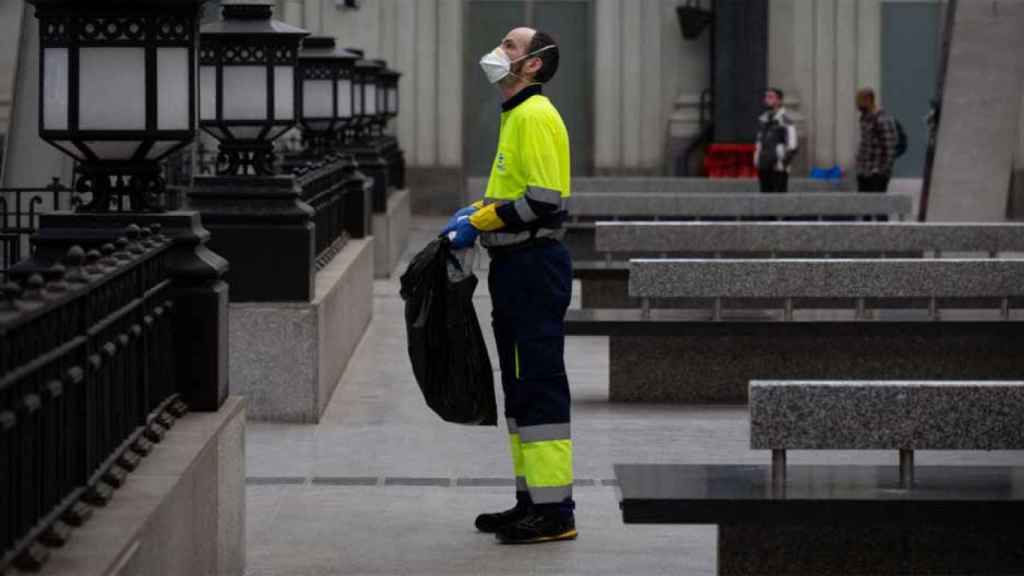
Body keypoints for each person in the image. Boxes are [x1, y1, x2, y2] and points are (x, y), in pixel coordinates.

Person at [441, 27, 575, 545]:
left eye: (511, 47)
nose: (499, 53)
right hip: (515, 266)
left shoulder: (536, 116)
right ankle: (532, 502)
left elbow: (543, 202)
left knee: (537, 385)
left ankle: (556, 512)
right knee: (519, 388)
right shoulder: (516, 115)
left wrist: (482, 221)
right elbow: (514, 193)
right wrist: (480, 211)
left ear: (534, 64)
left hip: (533, 266)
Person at [754, 88, 799, 193]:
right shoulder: (762, 120)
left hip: (778, 168)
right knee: (764, 197)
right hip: (763, 166)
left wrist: (782, 163)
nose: (766, 99)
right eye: (766, 97)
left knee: (779, 199)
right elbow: (759, 142)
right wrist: (757, 159)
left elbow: (793, 146)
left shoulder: (786, 120)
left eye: (770, 97)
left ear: (779, 101)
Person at [855, 88, 899, 193]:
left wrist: (882, 170)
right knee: (864, 205)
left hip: (876, 173)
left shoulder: (881, 119)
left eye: (860, 100)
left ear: (869, 100)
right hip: (864, 171)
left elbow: (890, 148)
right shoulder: (864, 118)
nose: (857, 104)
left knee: (876, 206)